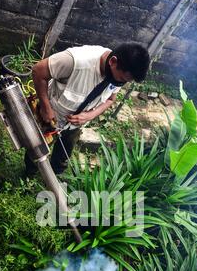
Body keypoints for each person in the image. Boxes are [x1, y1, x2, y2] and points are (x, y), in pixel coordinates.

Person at [30, 42, 150, 174]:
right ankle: (29, 172)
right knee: (37, 150)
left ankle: (55, 174)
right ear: (113, 61)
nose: (121, 83)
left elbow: (111, 99)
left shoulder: (119, 73)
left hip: (74, 126)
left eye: (125, 81)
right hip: (50, 118)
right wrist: (46, 108)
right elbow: (38, 70)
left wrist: (90, 115)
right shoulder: (75, 61)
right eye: (121, 79)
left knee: (63, 154)